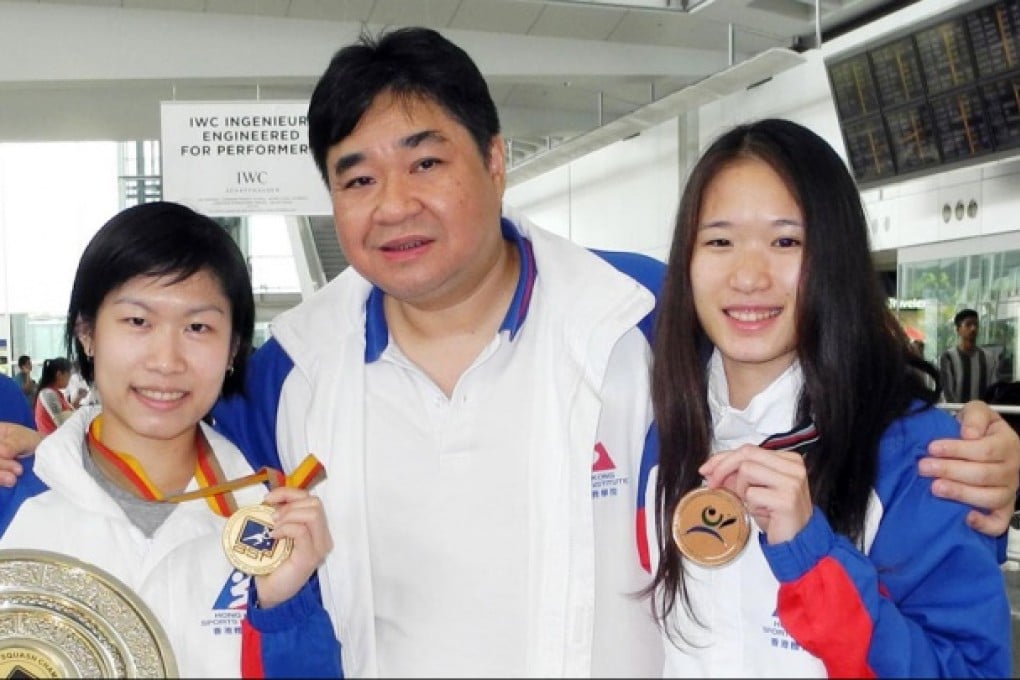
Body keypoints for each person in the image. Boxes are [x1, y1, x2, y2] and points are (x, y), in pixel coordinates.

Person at [1, 25, 1019, 677]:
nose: (392, 204)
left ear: (495, 161)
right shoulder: (292, 364)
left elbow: (805, 373)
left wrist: (970, 443)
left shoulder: (636, 311)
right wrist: (24, 460)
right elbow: (162, 426)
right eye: (355, 178)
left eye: (426, 161)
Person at [648, 119, 1009, 676]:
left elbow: (968, 668)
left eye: (786, 241)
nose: (748, 276)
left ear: (835, 258)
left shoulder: (924, 458)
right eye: (719, 241)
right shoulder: (649, 431)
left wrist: (814, 559)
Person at [0, 202, 341, 677]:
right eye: (138, 321)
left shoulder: (271, 521)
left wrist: (280, 606)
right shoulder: (14, 496)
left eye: (198, 327)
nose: (166, 360)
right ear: (87, 333)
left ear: (233, 348)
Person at [940, 308, 996, 403]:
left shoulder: (988, 358)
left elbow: (993, 389)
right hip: (956, 414)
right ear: (958, 330)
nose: (973, 329)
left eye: (976, 325)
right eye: (968, 324)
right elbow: (947, 392)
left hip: (982, 414)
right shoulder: (948, 358)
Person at [33, 357, 75, 434]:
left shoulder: (56, 393)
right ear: (59, 374)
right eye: (69, 375)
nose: (70, 379)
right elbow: (62, 422)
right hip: (51, 442)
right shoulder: (47, 394)